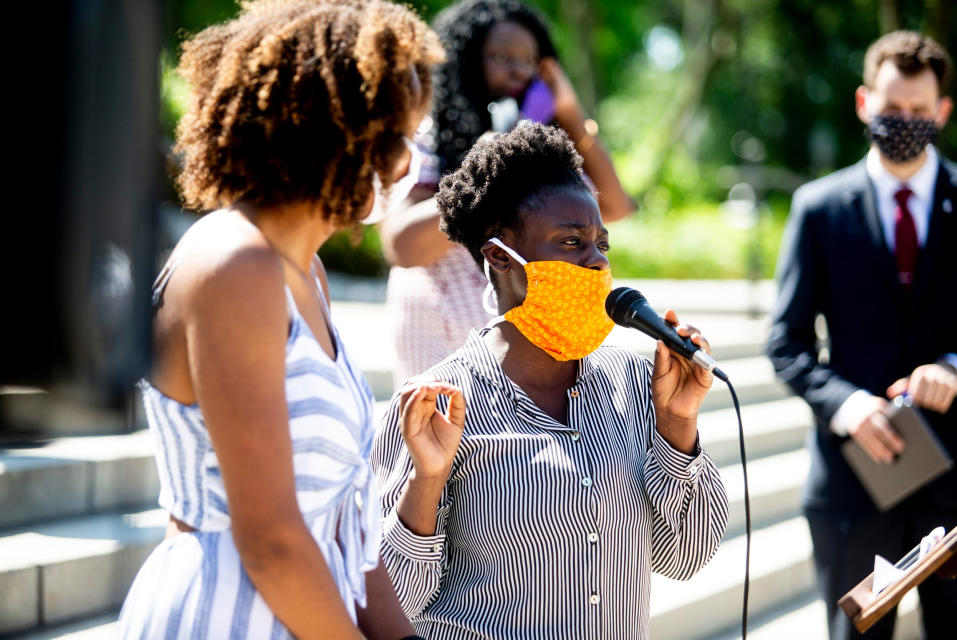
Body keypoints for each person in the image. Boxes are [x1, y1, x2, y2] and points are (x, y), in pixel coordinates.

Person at [117, 1, 445, 638]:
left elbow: (344, 523)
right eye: (400, 139)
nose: (409, 166)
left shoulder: (305, 274)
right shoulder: (236, 266)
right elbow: (269, 538)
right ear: (339, 130)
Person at [371, 122, 727, 639]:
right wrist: (425, 481)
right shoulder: (437, 407)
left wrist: (677, 425)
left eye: (601, 243)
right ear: (499, 255)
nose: (597, 260)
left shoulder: (633, 381)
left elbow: (688, 555)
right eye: (570, 241)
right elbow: (393, 606)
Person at [767, 30, 957, 640]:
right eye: (891, 108)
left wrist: (955, 366)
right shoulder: (818, 208)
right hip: (853, 492)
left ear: (942, 113)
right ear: (862, 104)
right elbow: (786, 342)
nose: (904, 122)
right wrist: (848, 406)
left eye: (919, 112)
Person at [379, 0, 635, 385]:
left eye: (530, 59)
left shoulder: (546, 146)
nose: (518, 68)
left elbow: (615, 207)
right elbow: (401, 246)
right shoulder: (427, 138)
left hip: (533, 344)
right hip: (442, 330)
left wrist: (570, 111)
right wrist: (486, 168)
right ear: (466, 59)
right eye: (502, 56)